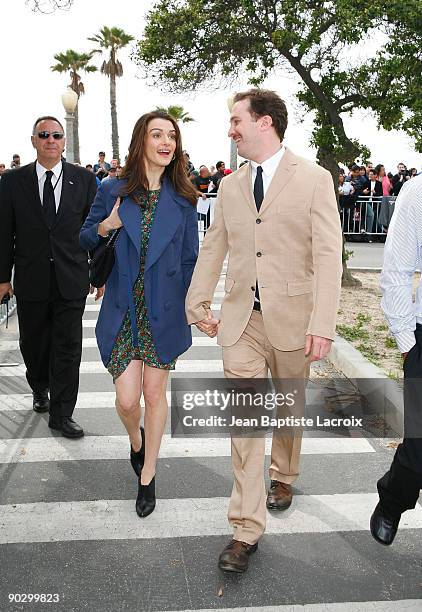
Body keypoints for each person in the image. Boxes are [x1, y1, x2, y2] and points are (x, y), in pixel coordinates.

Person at [186, 88, 342, 573]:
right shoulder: (229, 187)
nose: (230, 129)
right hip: (242, 323)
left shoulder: (313, 178)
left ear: (265, 123)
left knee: (290, 408)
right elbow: (214, 247)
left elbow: (327, 255)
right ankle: (245, 529)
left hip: (295, 319)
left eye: (236, 120)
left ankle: (286, 472)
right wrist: (198, 300)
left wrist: (323, 324)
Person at [80, 111, 198, 518]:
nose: (166, 142)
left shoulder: (183, 197)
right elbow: (83, 237)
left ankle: (148, 475)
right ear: (141, 140)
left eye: (172, 136)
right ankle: (137, 441)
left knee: (153, 394)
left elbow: (189, 260)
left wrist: (191, 306)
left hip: (164, 308)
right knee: (128, 400)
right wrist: (106, 225)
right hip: (122, 307)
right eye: (157, 134)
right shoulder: (113, 188)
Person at [0, 116, 98, 437]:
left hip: (71, 279)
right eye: (44, 135)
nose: (51, 140)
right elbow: (4, 233)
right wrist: (3, 278)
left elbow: (94, 230)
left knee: (68, 347)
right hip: (31, 280)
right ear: (34, 141)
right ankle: (39, 386)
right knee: (35, 345)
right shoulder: (13, 182)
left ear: (64, 141)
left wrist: (99, 273)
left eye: (56, 135)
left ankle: (62, 414)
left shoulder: (84, 180)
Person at [370, 173, 422, 545]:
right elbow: (397, 269)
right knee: (420, 445)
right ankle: (393, 500)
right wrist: (408, 341)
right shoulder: (419, 190)